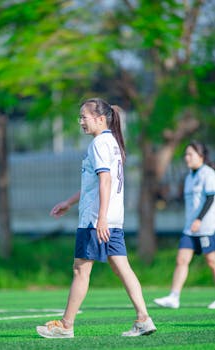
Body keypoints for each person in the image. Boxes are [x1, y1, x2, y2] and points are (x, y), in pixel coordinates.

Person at [36, 97, 157, 338]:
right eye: (79, 116)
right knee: (122, 267)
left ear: (100, 118)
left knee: (81, 270)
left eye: (84, 116)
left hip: (95, 220)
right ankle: (144, 319)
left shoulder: (99, 143)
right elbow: (95, 183)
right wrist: (69, 203)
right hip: (113, 218)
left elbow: (105, 181)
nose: (80, 121)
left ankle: (66, 325)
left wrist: (100, 218)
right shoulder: (111, 143)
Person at [154, 141, 215, 310]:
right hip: (190, 228)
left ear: (201, 156)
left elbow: (210, 198)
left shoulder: (208, 174)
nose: (187, 158)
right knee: (181, 259)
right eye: (186, 154)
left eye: (190, 154)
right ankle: (174, 297)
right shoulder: (189, 177)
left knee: (211, 261)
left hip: (205, 227)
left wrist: (199, 219)